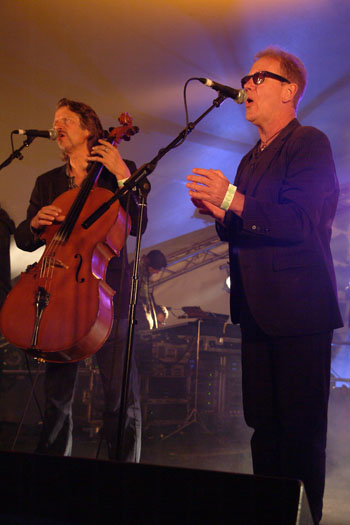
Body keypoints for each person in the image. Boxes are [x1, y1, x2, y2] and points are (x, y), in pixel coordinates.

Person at [186, 47, 343, 524]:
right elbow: (245, 226)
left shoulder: (309, 142)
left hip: (299, 314)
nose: (247, 86)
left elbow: (298, 222)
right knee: (264, 428)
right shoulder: (249, 159)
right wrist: (222, 214)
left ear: (289, 90)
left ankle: (303, 518)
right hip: (257, 311)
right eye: (247, 78)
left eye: (259, 78)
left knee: (300, 432)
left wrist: (232, 199)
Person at [14, 98, 147, 461]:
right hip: (57, 296)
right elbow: (26, 242)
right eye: (54, 120)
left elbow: (140, 225)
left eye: (66, 120)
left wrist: (122, 173)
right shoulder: (48, 183)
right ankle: (52, 474)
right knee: (56, 399)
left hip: (107, 296)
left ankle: (124, 477)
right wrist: (34, 223)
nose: (57, 126)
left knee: (120, 398)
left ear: (89, 129)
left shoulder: (120, 169)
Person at [134, 250, 168, 331]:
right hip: (138, 326)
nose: (157, 272)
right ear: (151, 267)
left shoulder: (143, 273)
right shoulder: (138, 272)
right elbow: (140, 301)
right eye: (157, 270)